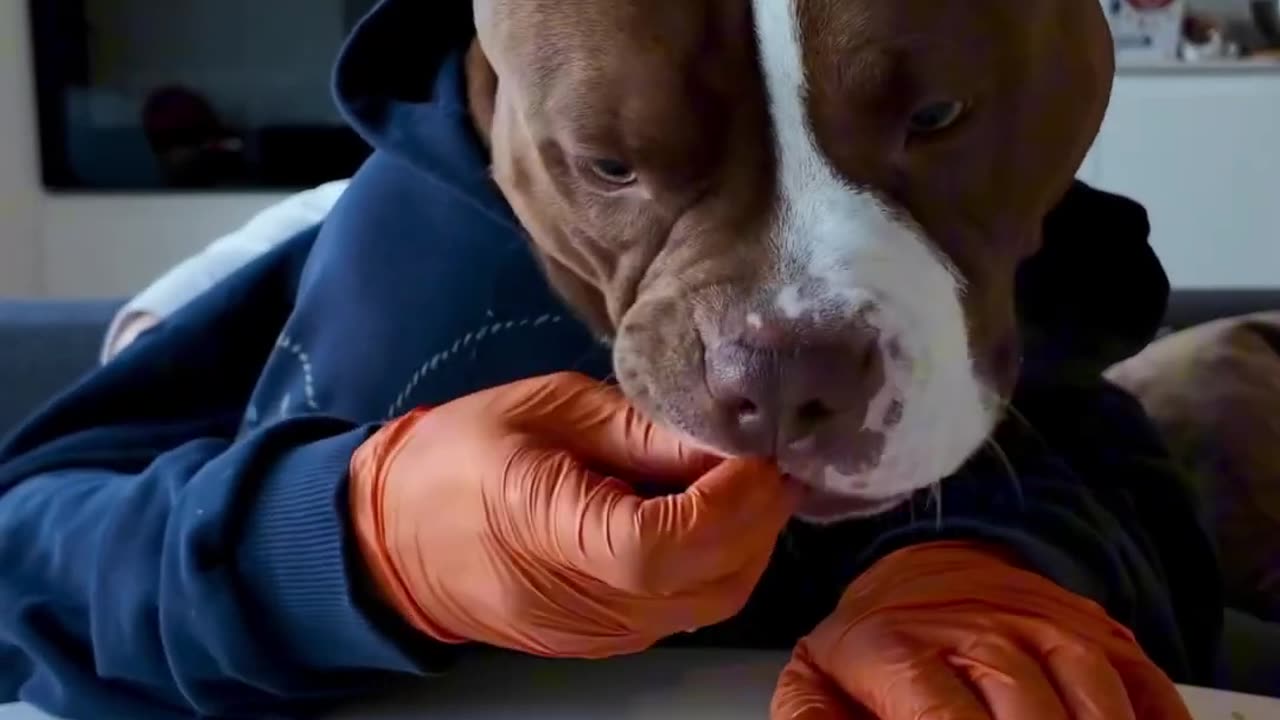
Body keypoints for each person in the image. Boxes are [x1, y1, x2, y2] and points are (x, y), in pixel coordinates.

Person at [1, 2, 1222, 719]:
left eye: (932, 121)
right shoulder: (382, 251)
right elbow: (31, 554)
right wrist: (353, 540)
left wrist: (996, 571)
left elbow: (1108, 468)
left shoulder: (1030, 255)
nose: (779, 324)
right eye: (617, 166)